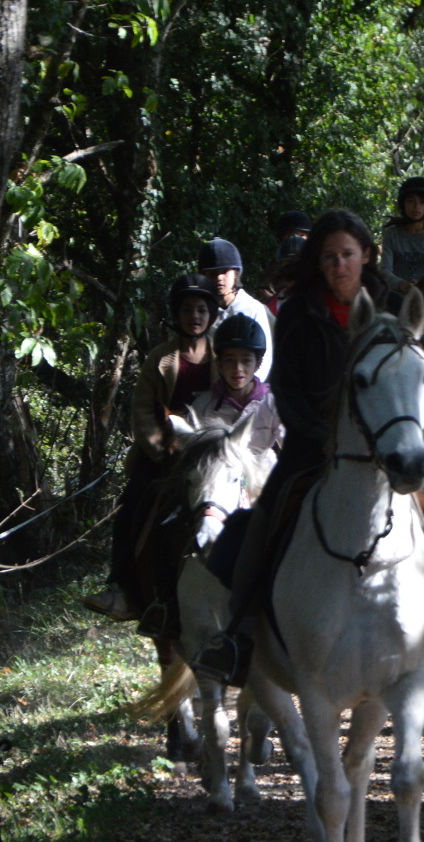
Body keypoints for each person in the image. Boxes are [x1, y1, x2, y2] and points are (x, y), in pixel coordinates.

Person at [188, 209, 424, 684]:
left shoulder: (396, 300)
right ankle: (239, 636)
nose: (338, 265)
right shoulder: (296, 311)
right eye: (328, 257)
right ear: (318, 262)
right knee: (258, 521)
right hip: (313, 448)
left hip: (393, 444)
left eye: (347, 254)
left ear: (366, 255)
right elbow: (286, 388)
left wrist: (412, 428)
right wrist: (321, 439)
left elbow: (423, 368)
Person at [83, 273, 222, 621]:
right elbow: (143, 411)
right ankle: (123, 589)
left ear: (211, 314)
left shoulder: (225, 356)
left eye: (202, 309)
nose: (195, 316)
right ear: (177, 314)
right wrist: (163, 450)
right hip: (166, 457)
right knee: (132, 504)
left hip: (210, 455)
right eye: (188, 309)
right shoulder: (159, 358)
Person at [189, 313, 281, 458]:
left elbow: (291, 450)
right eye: (230, 360)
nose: (238, 368)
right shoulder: (202, 407)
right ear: (219, 363)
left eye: (246, 361)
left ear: (258, 364)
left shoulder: (274, 405)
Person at [199, 237, 276, 381]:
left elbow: (265, 358)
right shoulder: (201, 312)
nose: (219, 278)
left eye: (224, 272)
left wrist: (247, 391)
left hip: (248, 394)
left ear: (236, 274)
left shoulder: (253, 309)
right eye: (213, 274)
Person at [379, 178, 424, 294]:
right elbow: (385, 270)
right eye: (411, 201)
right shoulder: (392, 234)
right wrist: (403, 284)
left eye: (422, 202)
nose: (416, 206)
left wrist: (422, 286)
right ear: (403, 204)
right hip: (397, 295)